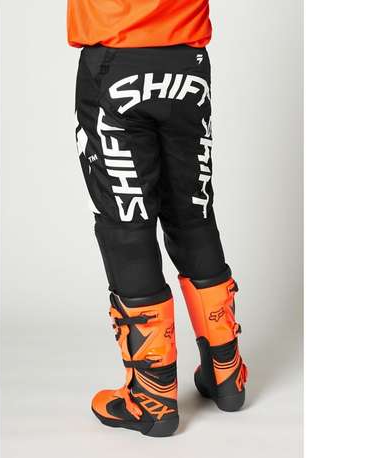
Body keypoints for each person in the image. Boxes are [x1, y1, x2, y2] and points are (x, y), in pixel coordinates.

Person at [67, 0, 247, 437]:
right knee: (193, 213)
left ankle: (152, 399)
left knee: (126, 223)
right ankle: (226, 374)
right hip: (187, 65)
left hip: (115, 58)